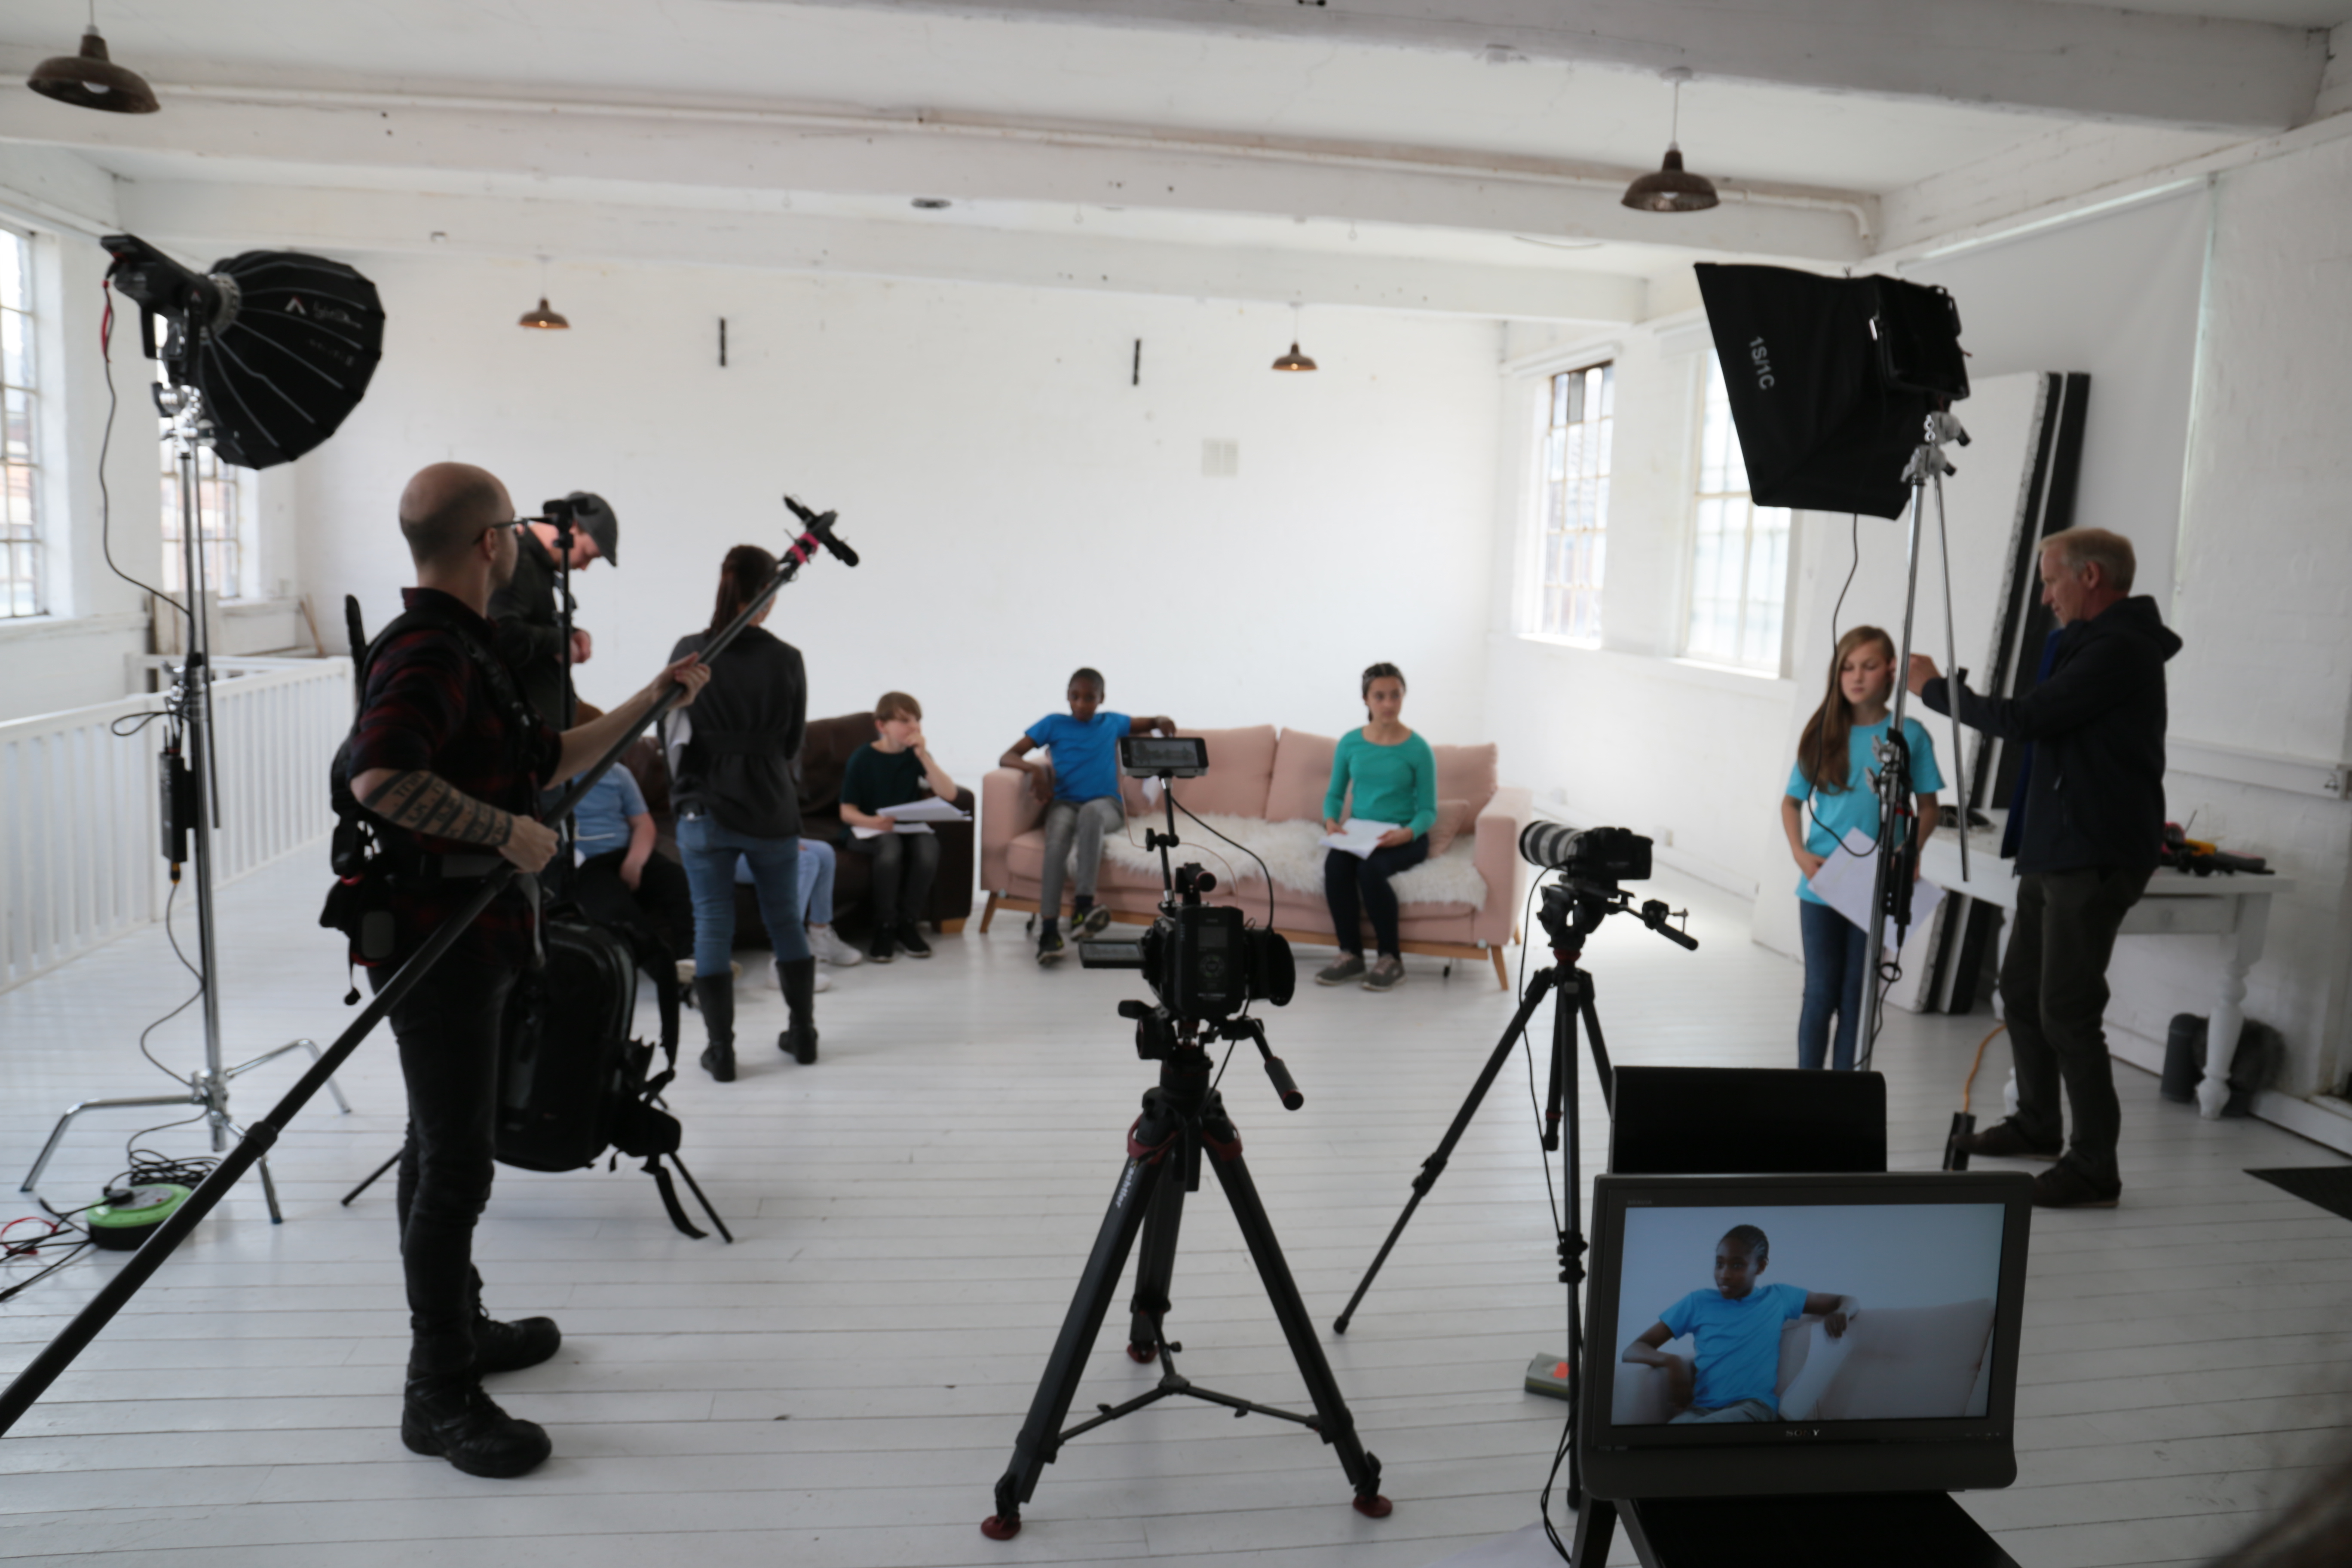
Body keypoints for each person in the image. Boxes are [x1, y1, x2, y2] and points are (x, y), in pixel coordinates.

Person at [347, 461, 708, 1478]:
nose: (520, 540)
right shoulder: (428, 649)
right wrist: (505, 834)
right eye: (513, 526)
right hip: (438, 940)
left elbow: (547, 756)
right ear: (489, 543)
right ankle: (439, 1391)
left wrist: (650, 697)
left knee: (440, 1141)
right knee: (456, 1161)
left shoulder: (469, 645)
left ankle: (460, 1328)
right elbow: (378, 774)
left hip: (480, 934)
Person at [1912, 527, 2179, 1210]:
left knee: (2068, 1009)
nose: (2043, 597)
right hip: (2059, 847)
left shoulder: (2120, 648)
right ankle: (2038, 1122)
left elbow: (2029, 719)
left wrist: (1938, 691)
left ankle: (2094, 1168)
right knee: (2024, 990)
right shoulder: (2086, 643)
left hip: (2092, 853)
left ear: (2090, 578)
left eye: (2051, 580)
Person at [664, 545, 818, 1080]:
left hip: (703, 807)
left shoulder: (689, 651)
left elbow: (672, 735)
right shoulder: (787, 659)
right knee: (785, 922)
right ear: (767, 597)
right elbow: (793, 741)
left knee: (711, 926)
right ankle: (803, 1036)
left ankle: (722, 1052)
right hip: (771, 806)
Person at [1781, 626, 1943, 1072]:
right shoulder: (1822, 733)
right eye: (1848, 667)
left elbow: (1929, 808)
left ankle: (1843, 1093)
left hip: (1876, 883)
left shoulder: (1909, 734)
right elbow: (1791, 803)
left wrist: (1911, 850)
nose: (1857, 676)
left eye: (1868, 666)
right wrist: (1799, 852)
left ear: (1891, 671)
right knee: (1820, 994)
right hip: (1822, 884)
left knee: (1858, 994)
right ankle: (1806, 1088)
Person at [998, 668, 1174, 966]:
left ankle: (1083, 907)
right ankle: (1049, 931)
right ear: (1067, 696)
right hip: (1065, 803)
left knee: (1092, 814)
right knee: (1056, 844)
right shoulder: (1053, 724)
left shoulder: (1112, 722)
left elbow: (1150, 721)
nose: (1081, 704)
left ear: (1101, 699)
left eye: (1089, 698)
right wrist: (1037, 769)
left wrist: (1161, 721)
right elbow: (1008, 757)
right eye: (1075, 697)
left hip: (1106, 805)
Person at [1620, 1225, 1860, 1424]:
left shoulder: (1779, 1297)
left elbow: (1846, 1300)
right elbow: (1633, 1350)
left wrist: (1843, 1311)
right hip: (1701, 1410)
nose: (1724, 1274)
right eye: (1719, 1263)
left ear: (1761, 1266)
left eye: (1737, 1265)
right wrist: (1670, 1361)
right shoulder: (1697, 1302)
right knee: (1663, 1441)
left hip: (1754, 1408)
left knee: (1694, 1436)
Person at [1316, 662, 1436, 992]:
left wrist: (1407, 833)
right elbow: (1335, 794)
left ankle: (1391, 958)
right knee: (1335, 866)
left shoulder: (1418, 749)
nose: (1388, 704)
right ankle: (1351, 955)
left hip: (1405, 835)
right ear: (1366, 700)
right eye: (1379, 696)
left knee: (1371, 872)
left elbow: (1428, 810)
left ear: (1403, 698)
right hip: (1360, 832)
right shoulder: (1351, 743)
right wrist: (1330, 821)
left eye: (1395, 696)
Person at [562, 701, 695, 969]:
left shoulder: (618, 774)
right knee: (618, 913)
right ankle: (666, 973)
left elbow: (644, 824)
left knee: (684, 886)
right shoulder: (555, 780)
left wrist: (635, 862)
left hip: (629, 853)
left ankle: (694, 960)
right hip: (588, 865)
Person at [839, 691, 963, 963]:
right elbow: (847, 811)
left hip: (908, 828)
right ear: (882, 726)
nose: (915, 727)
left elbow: (950, 793)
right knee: (890, 847)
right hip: (869, 830)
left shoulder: (915, 756)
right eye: (905, 721)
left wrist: (923, 757)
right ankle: (885, 925)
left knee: (929, 847)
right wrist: (874, 822)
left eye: (917, 720)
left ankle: (908, 922)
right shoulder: (863, 759)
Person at [488, 491, 619, 728]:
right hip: (526, 741)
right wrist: (560, 641)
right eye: (587, 555)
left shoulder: (537, 565)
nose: (585, 567)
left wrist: (571, 633)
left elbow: (529, 623)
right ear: (572, 527)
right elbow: (501, 632)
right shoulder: (517, 560)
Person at [737, 839, 862, 978]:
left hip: (765, 839)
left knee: (824, 852)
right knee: (805, 861)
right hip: (731, 850)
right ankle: (786, 958)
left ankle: (819, 937)